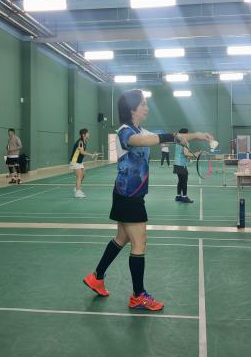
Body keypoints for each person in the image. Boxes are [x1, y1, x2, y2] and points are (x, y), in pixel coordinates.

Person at [82, 89, 213, 312]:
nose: (146, 107)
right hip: (129, 196)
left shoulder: (141, 130)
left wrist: (197, 135)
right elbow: (141, 141)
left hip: (127, 194)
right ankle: (138, 296)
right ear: (132, 108)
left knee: (122, 238)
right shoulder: (125, 132)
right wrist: (170, 137)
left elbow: (165, 136)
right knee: (139, 243)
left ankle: (97, 277)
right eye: (143, 104)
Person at [70, 128, 93, 198]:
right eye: (87, 133)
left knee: (83, 175)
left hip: (80, 162)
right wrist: (91, 155)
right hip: (75, 161)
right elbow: (82, 152)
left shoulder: (84, 142)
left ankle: (77, 188)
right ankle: (77, 192)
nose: (89, 134)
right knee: (79, 176)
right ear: (83, 134)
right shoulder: (80, 142)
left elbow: (81, 153)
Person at [173, 128, 194, 204]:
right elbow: (186, 153)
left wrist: (188, 158)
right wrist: (195, 154)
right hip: (182, 165)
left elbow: (182, 153)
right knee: (184, 181)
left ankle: (178, 196)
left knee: (180, 181)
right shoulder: (185, 142)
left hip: (176, 164)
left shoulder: (177, 142)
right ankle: (184, 197)